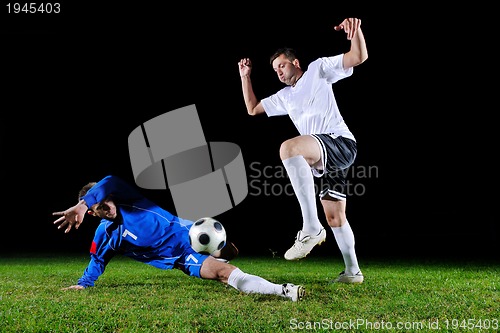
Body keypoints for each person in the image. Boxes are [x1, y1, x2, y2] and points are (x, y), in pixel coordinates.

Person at [237, 18, 367, 284]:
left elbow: (359, 56)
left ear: (295, 63)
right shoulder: (285, 96)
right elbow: (252, 108)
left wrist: (356, 30)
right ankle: (352, 272)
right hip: (324, 158)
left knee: (289, 147)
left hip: (339, 142)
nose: (279, 72)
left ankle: (310, 227)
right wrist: (245, 77)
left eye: (281, 65)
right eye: (274, 70)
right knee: (335, 215)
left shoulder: (318, 70)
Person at [52, 174, 305, 301]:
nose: (107, 206)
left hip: (190, 234)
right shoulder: (106, 234)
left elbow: (108, 180)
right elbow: (97, 260)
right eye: (100, 207)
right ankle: (283, 290)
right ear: (95, 215)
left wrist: (84, 204)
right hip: (181, 258)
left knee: (230, 252)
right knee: (222, 273)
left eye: (105, 200)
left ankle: (221, 250)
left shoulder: (129, 200)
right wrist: (84, 283)